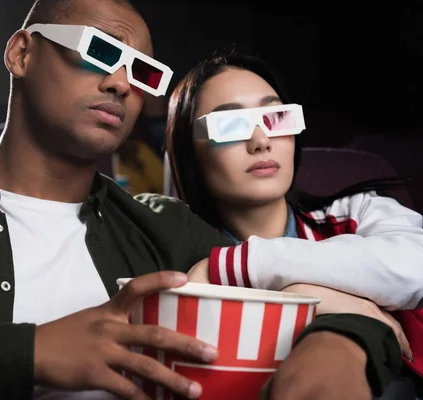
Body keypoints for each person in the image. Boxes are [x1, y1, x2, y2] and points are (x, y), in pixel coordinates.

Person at [0, 1, 404, 399]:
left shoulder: (165, 228)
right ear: (22, 53)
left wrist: (336, 346)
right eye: (100, 53)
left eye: (143, 73)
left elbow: (342, 308)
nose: (122, 84)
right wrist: (26, 354)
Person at [166, 51, 423, 397]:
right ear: (188, 153)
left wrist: (247, 268)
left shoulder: (355, 212)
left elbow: (414, 269)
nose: (261, 141)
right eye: (229, 125)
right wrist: (313, 298)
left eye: (276, 117)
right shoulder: (173, 244)